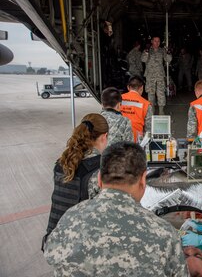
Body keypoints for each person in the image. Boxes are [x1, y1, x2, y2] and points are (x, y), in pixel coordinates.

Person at [44, 142, 188, 276]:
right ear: (143, 180)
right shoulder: (165, 234)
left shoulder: (70, 218)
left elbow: (50, 254)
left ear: (99, 179)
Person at [42, 113, 109, 246]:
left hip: (55, 239)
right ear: (104, 136)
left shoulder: (63, 162)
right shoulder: (101, 168)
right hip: (81, 245)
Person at [141, 36, 172, 115]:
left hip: (160, 76)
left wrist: (168, 52)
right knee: (151, 94)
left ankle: (161, 111)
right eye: (155, 41)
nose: (157, 43)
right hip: (150, 76)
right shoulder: (147, 50)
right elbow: (143, 59)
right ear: (152, 41)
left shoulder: (162, 51)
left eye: (158, 41)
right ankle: (151, 111)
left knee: (161, 93)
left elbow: (168, 59)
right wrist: (146, 51)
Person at [121, 76, 153, 142]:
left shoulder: (118, 99)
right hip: (136, 141)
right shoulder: (146, 104)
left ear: (128, 87)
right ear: (142, 88)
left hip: (119, 138)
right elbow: (149, 129)